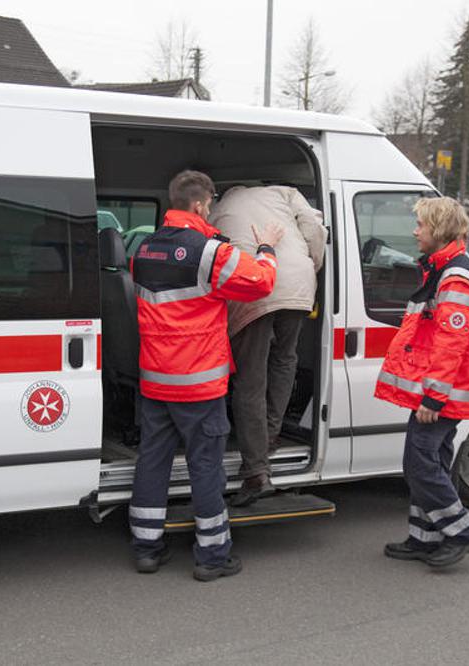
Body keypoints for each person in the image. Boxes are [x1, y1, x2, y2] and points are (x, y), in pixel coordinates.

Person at [128, 170, 283, 582]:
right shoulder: (210, 251)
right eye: (210, 203)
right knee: (205, 466)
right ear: (200, 204)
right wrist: (267, 248)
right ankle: (212, 556)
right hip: (198, 383)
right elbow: (262, 282)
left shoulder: (142, 249)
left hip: (156, 380)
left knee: (153, 462)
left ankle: (146, 547)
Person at [375, 197, 469, 568]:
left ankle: (462, 532)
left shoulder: (455, 276)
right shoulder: (442, 270)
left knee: (420, 466)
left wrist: (433, 398)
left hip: (442, 397)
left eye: (421, 225)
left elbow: (451, 346)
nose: (415, 231)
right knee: (432, 463)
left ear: (438, 230)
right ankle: (424, 538)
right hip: (439, 394)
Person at [206, 185, 327, 506]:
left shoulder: (218, 210)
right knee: (285, 360)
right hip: (299, 283)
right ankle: (270, 434)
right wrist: (309, 264)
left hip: (253, 289)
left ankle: (256, 471)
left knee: (250, 379)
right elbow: (315, 227)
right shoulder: (284, 194)